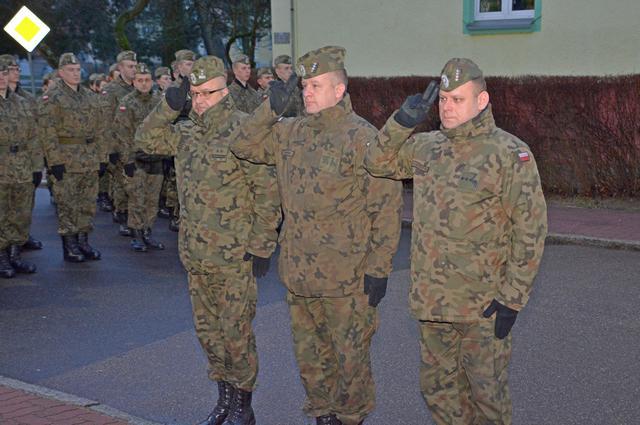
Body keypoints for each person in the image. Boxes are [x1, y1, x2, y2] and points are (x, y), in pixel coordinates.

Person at [364, 58, 548, 425]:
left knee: (486, 398)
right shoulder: (426, 147)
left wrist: (512, 297)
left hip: (483, 306)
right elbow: (376, 161)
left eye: (457, 99)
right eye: (444, 99)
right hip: (433, 304)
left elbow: (530, 229)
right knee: (438, 393)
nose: (447, 107)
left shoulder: (509, 153)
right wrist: (402, 122)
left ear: (482, 101)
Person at [231, 46, 402, 425]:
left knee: (350, 360)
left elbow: (386, 209)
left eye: (317, 85)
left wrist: (379, 268)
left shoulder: (363, 138)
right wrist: (269, 110)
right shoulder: (289, 132)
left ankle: (350, 418)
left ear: (339, 90)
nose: (307, 92)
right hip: (300, 274)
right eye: (305, 85)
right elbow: (242, 144)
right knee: (311, 359)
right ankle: (322, 414)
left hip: (348, 277)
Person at [135, 55, 281, 425]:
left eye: (207, 93)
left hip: (234, 255)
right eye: (194, 94)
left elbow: (266, 193)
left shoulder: (243, 130)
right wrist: (168, 104)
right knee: (208, 331)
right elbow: (145, 138)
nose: (199, 101)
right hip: (196, 253)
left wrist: (262, 245)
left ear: (225, 89)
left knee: (236, 332)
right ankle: (224, 400)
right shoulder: (185, 131)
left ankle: (243, 408)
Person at [38, 53, 107, 262]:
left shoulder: (89, 96)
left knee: (87, 203)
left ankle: (83, 242)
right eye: (70, 70)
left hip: (89, 158)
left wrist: (102, 157)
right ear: (61, 72)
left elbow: (100, 129)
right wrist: (54, 161)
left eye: (78, 70)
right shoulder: (52, 97)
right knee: (68, 203)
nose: (76, 74)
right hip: (66, 159)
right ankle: (69, 246)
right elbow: (47, 131)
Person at [114, 63, 165, 252]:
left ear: (152, 82)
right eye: (140, 81)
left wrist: (165, 154)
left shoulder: (159, 102)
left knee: (152, 199)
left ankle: (148, 232)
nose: (144, 84)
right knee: (137, 198)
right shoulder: (127, 103)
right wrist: (127, 161)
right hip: (136, 159)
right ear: (134, 82)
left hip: (156, 158)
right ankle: (136, 234)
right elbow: (122, 134)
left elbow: (165, 128)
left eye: (147, 80)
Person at [0, 56, 41, 277]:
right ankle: (2, 258)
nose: (2, 78)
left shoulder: (22, 103)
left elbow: (34, 137)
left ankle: (15, 256)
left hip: (22, 167)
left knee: (20, 214)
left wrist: (36, 167)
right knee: (2, 215)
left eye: (5, 73)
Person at [102, 50, 137, 236]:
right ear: (121, 67)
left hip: (137, 145)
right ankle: (122, 215)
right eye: (130, 66)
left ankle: (136, 220)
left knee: (137, 185)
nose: (134, 70)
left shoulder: (138, 87)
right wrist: (111, 149)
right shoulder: (111, 90)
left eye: (135, 66)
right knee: (122, 184)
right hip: (120, 144)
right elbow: (106, 122)